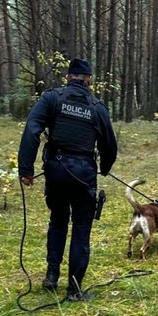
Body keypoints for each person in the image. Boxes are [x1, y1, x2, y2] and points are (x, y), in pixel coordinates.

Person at [18, 58, 117, 302]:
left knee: (58, 220)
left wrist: (26, 169)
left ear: (68, 77)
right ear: (89, 80)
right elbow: (110, 145)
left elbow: (32, 129)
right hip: (84, 173)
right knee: (82, 229)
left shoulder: (52, 99)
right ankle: (74, 289)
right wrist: (104, 168)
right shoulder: (97, 107)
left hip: (56, 171)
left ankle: (52, 275)